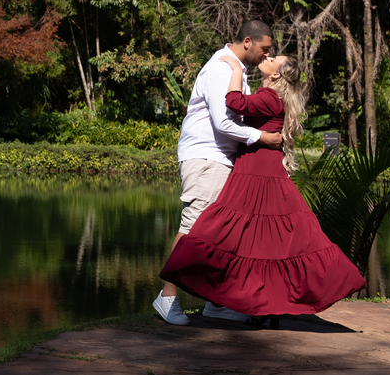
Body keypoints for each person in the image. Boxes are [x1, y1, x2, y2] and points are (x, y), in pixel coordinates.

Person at [159, 54, 366, 326]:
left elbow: (233, 103)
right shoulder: (269, 95)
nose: (268, 57)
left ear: (276, 74)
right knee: (251, 236)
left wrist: (235, 69)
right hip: (257, 168)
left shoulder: (269, 97)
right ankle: (230, 301)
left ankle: (219, 297)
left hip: (257, 170)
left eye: (274, 58)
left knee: (241, 232)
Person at [152, 20, 284, 326]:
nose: (267, 56)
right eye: (265, 49)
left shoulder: (237, 70)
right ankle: (167, 297)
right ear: (248, 42)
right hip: (205, 158)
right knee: (194, 223)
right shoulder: (220, 69)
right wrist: (261, 138)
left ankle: (217, 302)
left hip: (223, 159)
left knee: (224, 230)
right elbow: (223, 124)